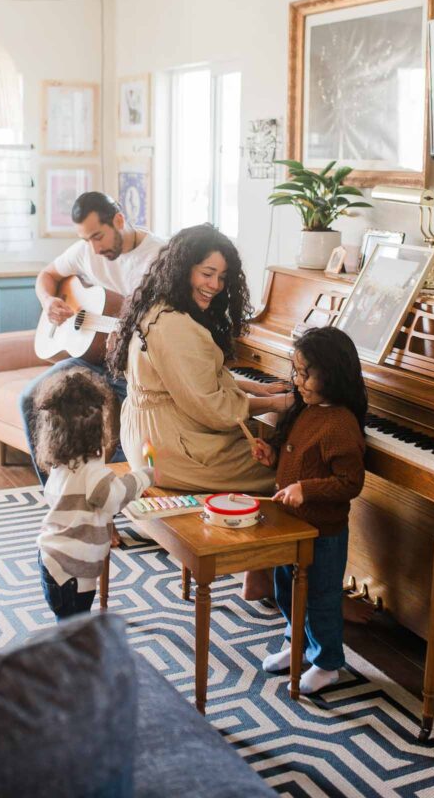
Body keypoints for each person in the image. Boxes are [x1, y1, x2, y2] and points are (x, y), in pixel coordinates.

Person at [107, 223, 293, 494]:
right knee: (291, 466)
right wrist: (275, 403)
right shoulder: (175, 325)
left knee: (271, 445)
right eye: (207, 274)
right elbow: (213, 408)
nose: (215, 286)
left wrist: (253, 387)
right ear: (183, 269)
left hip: (147, 439)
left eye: (222, 277)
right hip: (169, 452)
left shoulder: (157, 305)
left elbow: (189, 380)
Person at [21, 191, 164, 484]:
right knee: (29, 399)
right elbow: (46, 275)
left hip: (134, 370)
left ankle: (118, 509)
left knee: (126, 424)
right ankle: (60, 500)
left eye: (98, 236)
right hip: (93, 360)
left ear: (119, 220)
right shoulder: (85, 251)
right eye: (86, 239)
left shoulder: (160, 258)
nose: (93, 248)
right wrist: (48, 301)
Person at [254, 325, 367, 694]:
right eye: (296, 372)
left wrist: (307, 490)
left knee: (320, 598)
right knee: (286, 588)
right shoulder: (308, 410)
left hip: (323, 533)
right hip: (293, 527)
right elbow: (299, 463)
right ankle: (296, 643)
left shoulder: (340, 424)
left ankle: (328, 662)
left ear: (331, 374)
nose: (298, 381)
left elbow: (350, 483)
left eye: (306, 374)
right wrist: (272, 457)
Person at [35, 366, 154, 620]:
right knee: (76, 635)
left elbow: (94, 494)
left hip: (50, 560)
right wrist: (144, 476)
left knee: (68, 630)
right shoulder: (92, 472)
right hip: (72, 573)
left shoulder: (61, 465)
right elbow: (114, 497)